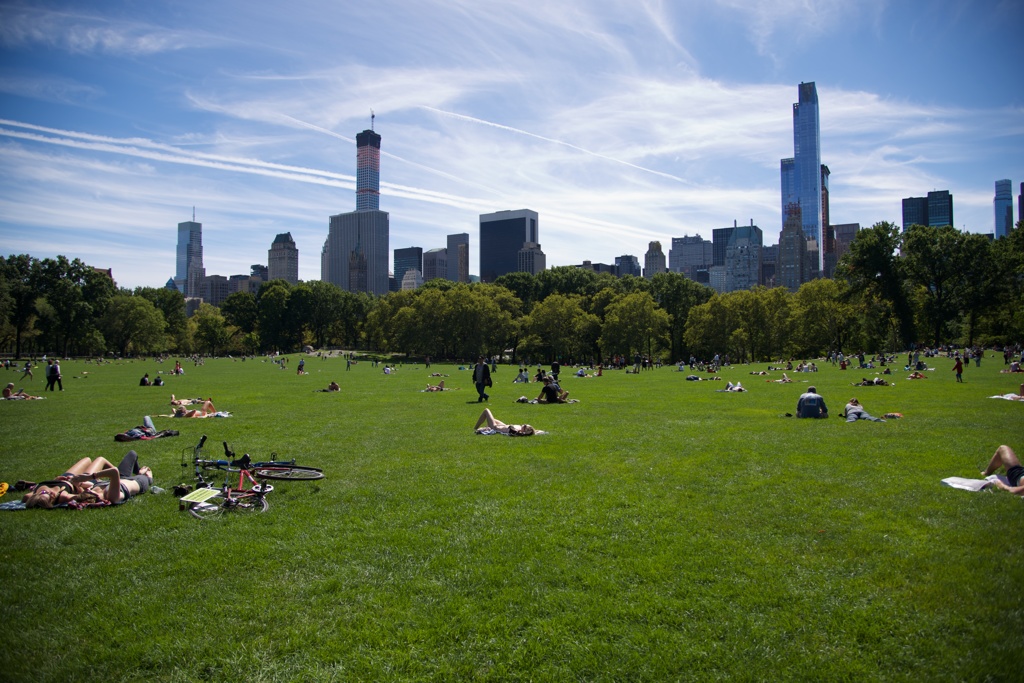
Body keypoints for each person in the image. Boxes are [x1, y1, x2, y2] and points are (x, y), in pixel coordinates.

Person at [22, 451, 153, 508]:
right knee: (144, 470)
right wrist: (90, 477)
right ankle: (145, 475)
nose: (48, 492)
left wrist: (83, 483)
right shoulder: (113, 497)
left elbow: (87, 488)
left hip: (117, 479)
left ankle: (137, 471)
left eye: (44, 493)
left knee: (132, 454)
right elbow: (114, 472)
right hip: (137, 481)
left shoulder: (94, 489)